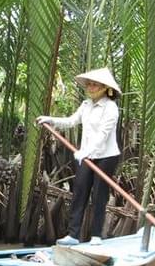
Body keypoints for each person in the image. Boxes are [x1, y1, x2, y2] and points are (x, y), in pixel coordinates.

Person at [36, 67, 121, 246]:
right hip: (86, 156)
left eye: (94, 85)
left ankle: (97, 235)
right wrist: (50, 120)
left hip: (106, 157)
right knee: (79, 192)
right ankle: (73, 235)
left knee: (99, 195)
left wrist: (85, 152)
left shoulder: (111, 108)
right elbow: (71, 121)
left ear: (105, 88)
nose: (90, 87)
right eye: (89, 84)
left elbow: (102, 136)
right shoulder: (86, 105)